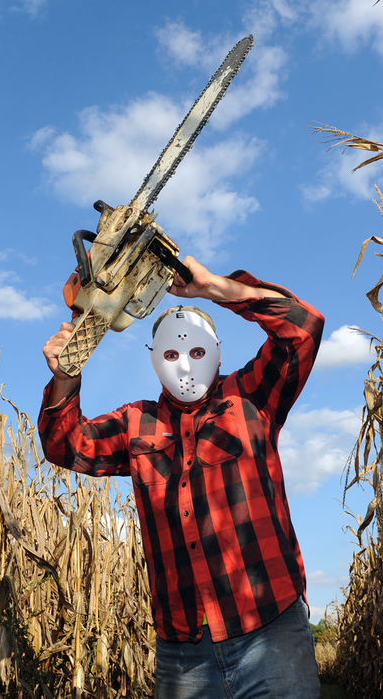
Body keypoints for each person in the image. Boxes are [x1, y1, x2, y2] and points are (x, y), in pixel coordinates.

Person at [39, 256, 324, 698]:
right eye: (171, 354)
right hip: (183, 652)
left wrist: (215, 287)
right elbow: (66, 446)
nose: (186, 367)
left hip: (269, 632)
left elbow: (303, 326)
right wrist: (65, 377)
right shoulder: (137, 424)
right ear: (153, 360)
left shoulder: (251, 398)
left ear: (218, 353)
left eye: (196, 351)